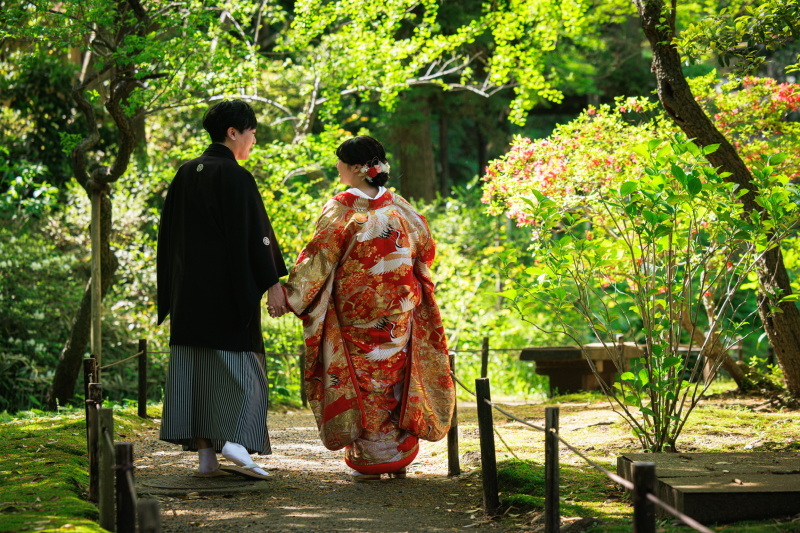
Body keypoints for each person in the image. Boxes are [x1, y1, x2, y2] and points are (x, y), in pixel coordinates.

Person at [280, 135, 455, 482]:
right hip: (399, 310)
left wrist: (291, 295)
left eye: (341, 161)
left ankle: (372, 456)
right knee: (395, 374)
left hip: (356, 313)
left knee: (364, 378)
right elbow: (426, 249)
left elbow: (318, 258)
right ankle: (396, 453)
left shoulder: (341, 209)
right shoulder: (401, 207)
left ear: (358, 169)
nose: (337, 167)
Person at [156, 99, 288, 480]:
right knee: (244, 370)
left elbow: (168, 239)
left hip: (188, 295)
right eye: (252, 133)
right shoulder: (236, 177)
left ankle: (206, 459)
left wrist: (171, 292)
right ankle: (234, 441)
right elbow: (256, 238)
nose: (253, 141)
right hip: (228, 293)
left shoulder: (184, 173)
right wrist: (271, 284)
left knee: (194, 373)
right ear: (233, 132)